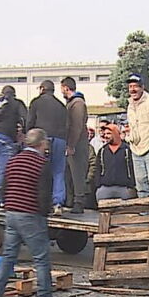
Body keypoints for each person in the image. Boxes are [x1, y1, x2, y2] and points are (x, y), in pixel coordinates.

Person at [0, 128, 66, 297]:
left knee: (8, 256)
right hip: (30, 214)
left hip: (11, 213)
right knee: (41, 257)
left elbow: (5, 186)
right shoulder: (41, 163)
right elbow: (43, 193)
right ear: (42, 143)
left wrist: (6, 205)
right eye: (46, 142)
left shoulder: (13, 161)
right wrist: (45, 212)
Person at [27, 80, 68, 213]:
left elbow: (30, 122)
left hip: (43, 139)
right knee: (58, 172)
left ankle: (36, 201)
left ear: (43, 89)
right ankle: (58, 203)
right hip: (60, 139)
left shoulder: (36, 102)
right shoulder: (61, 105)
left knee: (39, 169)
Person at [61, 77, 89, 214]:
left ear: (66, 88)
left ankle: (79, 201)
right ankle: (71, 200)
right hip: (74, 142)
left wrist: (71, 145)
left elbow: (76, 126)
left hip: (78, 143)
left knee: (77, 173)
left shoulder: (77, 103)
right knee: (70, 173)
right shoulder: (73, 103)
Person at [93, 123, 135, 201]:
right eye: (105, 133)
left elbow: (132, 168)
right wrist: (98, 184)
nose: (106, 136)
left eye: (109, 133)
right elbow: (97, 169)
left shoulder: (127, 150)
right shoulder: (102, 151)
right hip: (105, 188)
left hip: (124, 188)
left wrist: (131, 185)